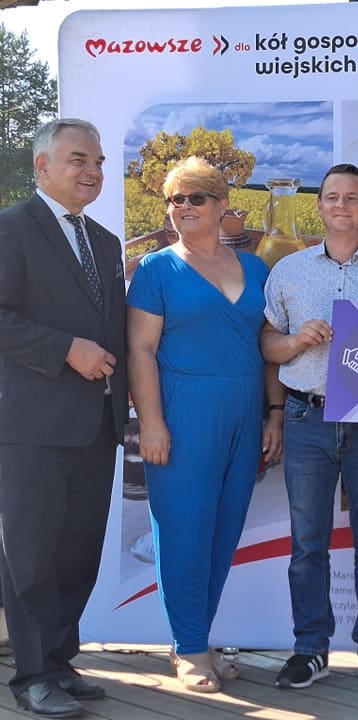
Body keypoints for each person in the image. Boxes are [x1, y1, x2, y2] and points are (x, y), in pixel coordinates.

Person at [127, 156, 284, 693]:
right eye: (176, 199)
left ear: (223, 206)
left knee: (222, 533)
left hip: (245, 412)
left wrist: (275, 413)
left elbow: (267, 346)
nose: (185, 207)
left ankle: (196, 639)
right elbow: (141, 349)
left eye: (196, 197)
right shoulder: (155, 269)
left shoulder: (257, 270)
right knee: (183, 532)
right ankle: (190, 647)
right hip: (182, 412)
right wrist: (152, 422)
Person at [262, 163, 358, 690]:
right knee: (308, 544)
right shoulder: (289, 271)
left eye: (353, 198)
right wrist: (295, 340)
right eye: (332, 197)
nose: (342, 205)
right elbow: (268, 345)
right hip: (307, 417)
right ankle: (310, 649)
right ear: (319, 206)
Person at [0, 118, 127, 717]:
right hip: (30, 427)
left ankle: (59, 661)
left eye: (98, 162)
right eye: (79, 159)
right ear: (43, 166)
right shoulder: (11, 228)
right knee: (30, 554)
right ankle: (33, 676)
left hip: (96, 425)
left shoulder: (104, 240)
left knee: (77, 552)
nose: (92, 171)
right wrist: (63, 349)